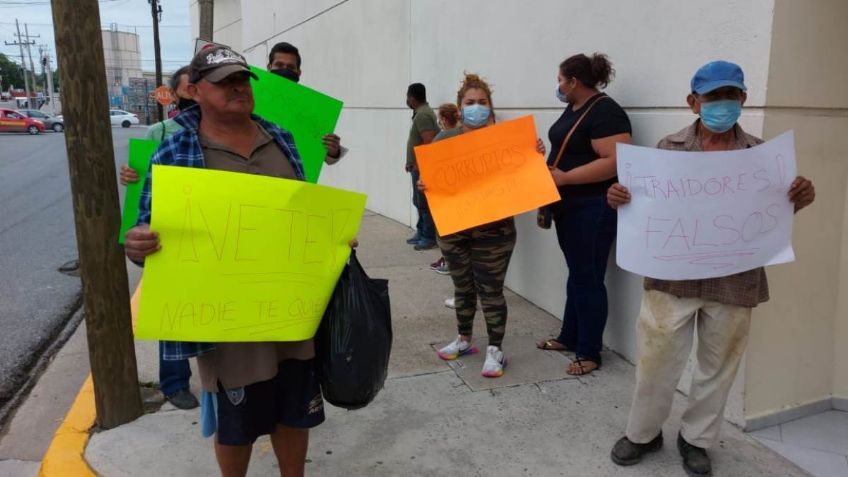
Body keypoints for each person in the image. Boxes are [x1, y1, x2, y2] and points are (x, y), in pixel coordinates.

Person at [124, 45, 325, 477]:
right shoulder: (175, 152)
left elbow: (303, 213)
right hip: (228, 320)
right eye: (224, 82)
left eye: (242, 80)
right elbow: (144, 228)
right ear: (195, 91)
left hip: (287, 307)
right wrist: (138, 243)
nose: (238, 88)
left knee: (295, 410)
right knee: (238, 423)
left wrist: (329, 238)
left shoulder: (282, 138)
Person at [608, 60, 815, 477]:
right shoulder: (668, 149)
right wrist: (619, 196)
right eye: (713, 96)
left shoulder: (762, 156)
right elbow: (643, 203)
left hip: (735, 279)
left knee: (719, 367)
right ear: (693, 102)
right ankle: (643, 433)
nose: (723, 104)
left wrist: (801, 195)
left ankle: (696, 439)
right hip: (671, 277)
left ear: (743, 99)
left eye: (731, 96)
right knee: (655, 361)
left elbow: (777, 210)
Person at [425, 73, 545, 378]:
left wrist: (534, 157)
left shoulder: (508, 142)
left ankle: (495, 349)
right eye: (470, 103)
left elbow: (524, 180)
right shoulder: (444, 140)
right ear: (460, 107)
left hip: (494, 232)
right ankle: (464, 339)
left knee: (491, 291)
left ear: (490, 108)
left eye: (482, 102)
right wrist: (425, 183)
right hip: (454, 229)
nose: (476, 107)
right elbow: (432, 185)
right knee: (462, 287)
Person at [534, 53, 633, 377]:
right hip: (569, 207)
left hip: (593, 207)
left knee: (588, 278)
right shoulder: (574, 107)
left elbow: (615, 160)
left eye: (561, 80)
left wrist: (565, 178)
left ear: (574, 81)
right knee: (577, 273)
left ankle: (590, 351)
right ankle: (570, 336)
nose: (559, 86)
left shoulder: (606, 111)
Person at [118, 65, 199, 411]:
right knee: (172, 310)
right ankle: (174, 382)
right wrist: (131, 175)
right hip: (170, 234)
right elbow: (141, 183)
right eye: (190, 87)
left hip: (206, 231)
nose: (196, 92)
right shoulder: (159, 133)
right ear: (178, 94)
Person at [266, 41, 345, 165]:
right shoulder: (250, 96)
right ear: (269, 67)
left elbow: (320, 152)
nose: (284, 70)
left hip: (295, 179)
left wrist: (332, 150)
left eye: (290, 67)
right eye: (279, 65)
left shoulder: (310, 106)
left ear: (298, 72)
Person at [405, 83, 440, 250]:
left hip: (422, 168)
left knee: (424, 203)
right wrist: (410, 162)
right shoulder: (421, 113)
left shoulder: (423, 115)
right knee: (418, 202)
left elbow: (428, 142)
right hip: (416, 166)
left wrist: (419, 166)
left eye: (407, 97)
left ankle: (428, 237)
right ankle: (421, 232)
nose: (406, 100)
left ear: (412, 98)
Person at [429, 103, 461, 276]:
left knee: (447, 231)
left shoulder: (441, 137)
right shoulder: (463, 133)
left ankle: (449, 261)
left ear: (444, 118)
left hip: (447, 191)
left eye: (439, 118)